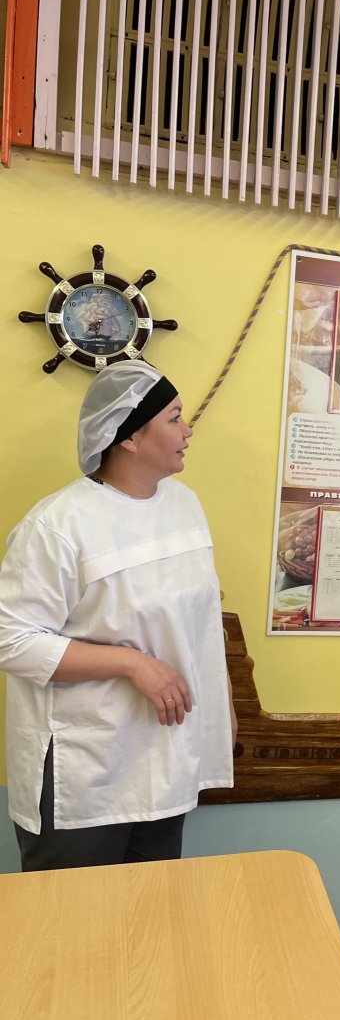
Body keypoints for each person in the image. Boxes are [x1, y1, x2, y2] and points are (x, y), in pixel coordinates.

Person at [0, 362, 235, 871]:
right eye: (174, 418)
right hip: (84, 770)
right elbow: (10, 639)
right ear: (129, 436)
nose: (188, 430)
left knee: (149, 908)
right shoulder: (58, 525)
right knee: (74, 914)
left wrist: (223, 709)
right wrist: (133, 664)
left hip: (166, 756)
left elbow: (199, 622)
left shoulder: (185, 506)